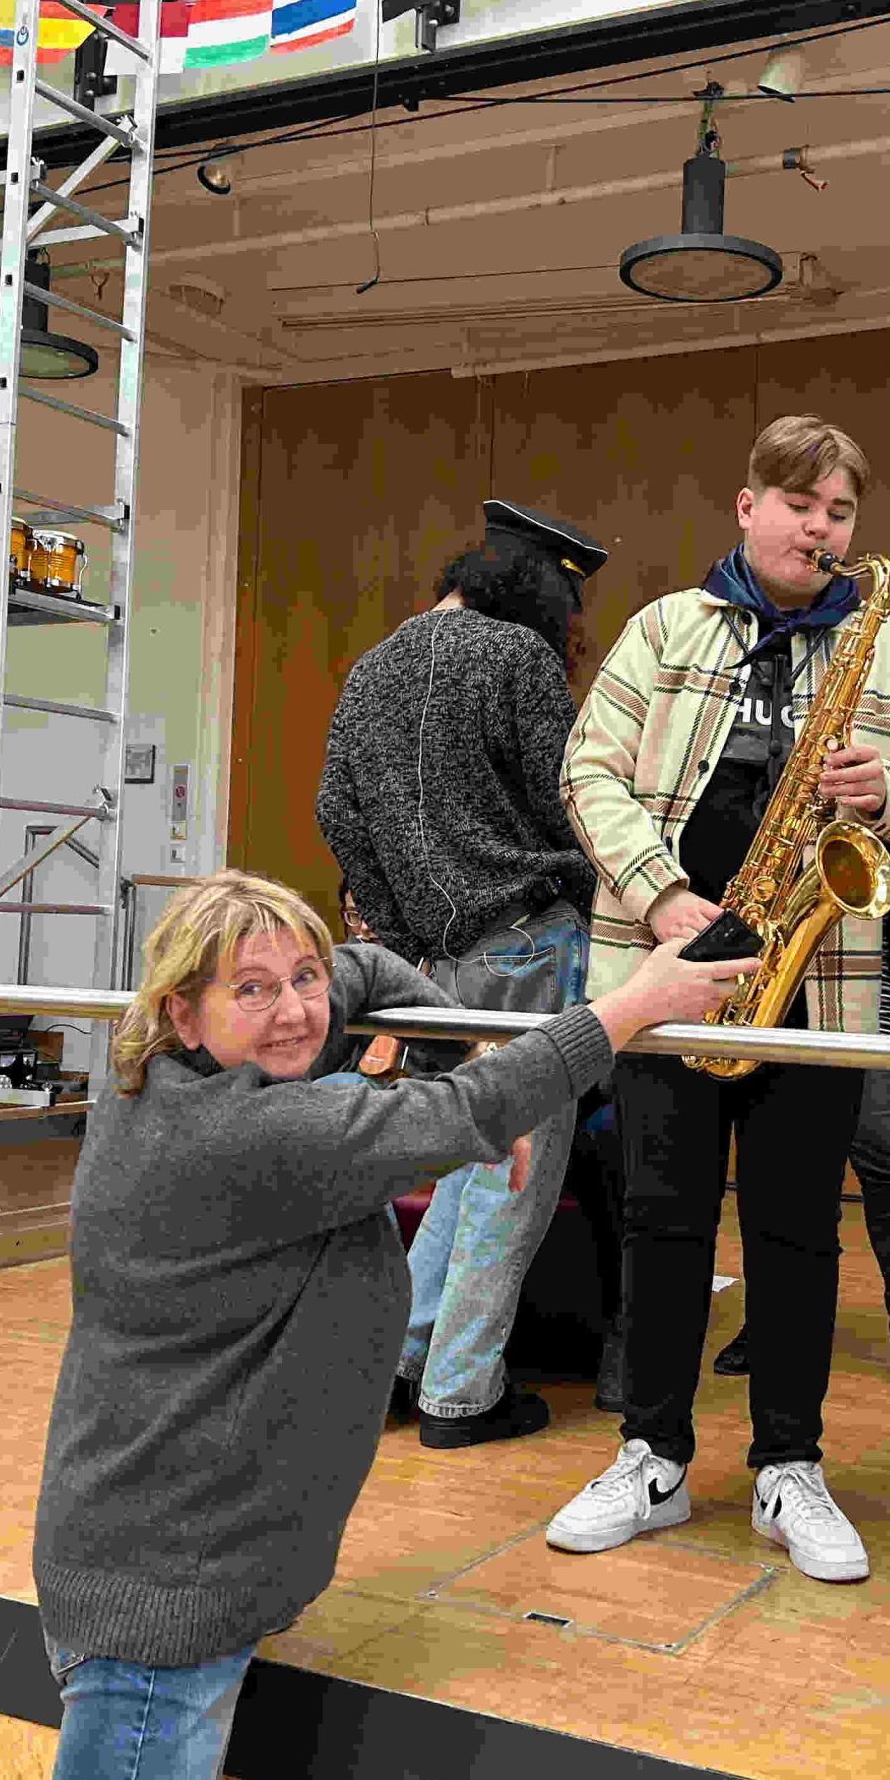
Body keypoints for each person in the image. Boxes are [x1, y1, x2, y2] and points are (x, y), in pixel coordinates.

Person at [31, 870, 749, 1780]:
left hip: (174, 1561)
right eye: (251, 989)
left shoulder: (169, 1080)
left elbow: (363, 971)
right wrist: (634, 1004)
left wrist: (459, 1050)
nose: (295, 1010)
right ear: (184, 1013)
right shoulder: (248, 1135)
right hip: (158, 1611)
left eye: (301, 978)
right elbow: (465, 1113)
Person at [544, 413, 890, 1585]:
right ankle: (651, 1457)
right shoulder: (665, 628)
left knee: (797, 1230)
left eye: (839, 511)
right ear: (747, 507)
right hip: (668, 968)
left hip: (813, 981)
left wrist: (888, 793)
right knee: (662, 1221)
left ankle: (789, 1463)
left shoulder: (887, 645)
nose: (819, 529)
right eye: (798, 504)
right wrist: (662, 894)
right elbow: (586, 771)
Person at [314, 500, 609, 1450]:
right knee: (514, 1175)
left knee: (464, 1163)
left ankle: (399, 1368)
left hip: (433, 964)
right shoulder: (518, 658)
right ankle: (462, 1396)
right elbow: (575, 801)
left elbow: (336, 815)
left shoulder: (369, 670)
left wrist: (403, 936)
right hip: (530, 943)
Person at [711, 842, 890, 1414]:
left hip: (856, 991)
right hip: (766, 991)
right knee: (781, 1172)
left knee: (887, 1162)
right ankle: (769, 1322)